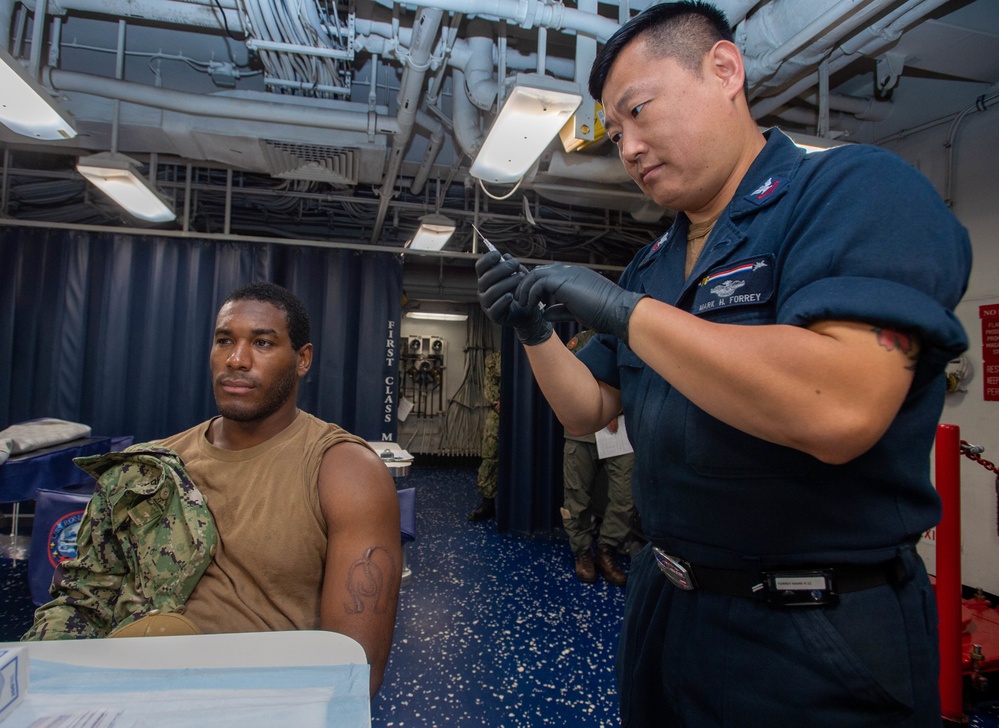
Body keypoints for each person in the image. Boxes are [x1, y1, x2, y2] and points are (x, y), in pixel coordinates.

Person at [474, 2, 972, 725]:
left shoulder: (852, 191)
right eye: (614, 133)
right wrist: (531, 332)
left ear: (724, 70)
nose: (630, 146)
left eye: (639, 111)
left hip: (809, 629)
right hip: (668, 605)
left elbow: (836, 407)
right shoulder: (654, 260)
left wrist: (625, 313)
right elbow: (591, 410)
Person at [24, 282, 401, 697]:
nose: (236, 360)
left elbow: (355, 673)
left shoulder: (345, 472)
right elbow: (81, 602)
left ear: (302, 359)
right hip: (129, 694)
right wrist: (37, 688)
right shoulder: (147, 468)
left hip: (267, 705)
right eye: (225, 340)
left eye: (262, 342)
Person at [562, 329, 636, 587]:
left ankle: (607, 550)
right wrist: (606, 408)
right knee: (577, 496)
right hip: (583, 431)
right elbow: (568, 383)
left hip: (621, 433)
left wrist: (617, 407)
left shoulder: (630, 337)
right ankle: (582, 552)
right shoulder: (580, 341)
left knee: (626, 496)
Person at [468, 349, 501, 521]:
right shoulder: (494, 360)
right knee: (490, 458)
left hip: (524, 415)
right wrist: (498, 402)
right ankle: (487, 503)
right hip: (497, 415)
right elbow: (490, 387)